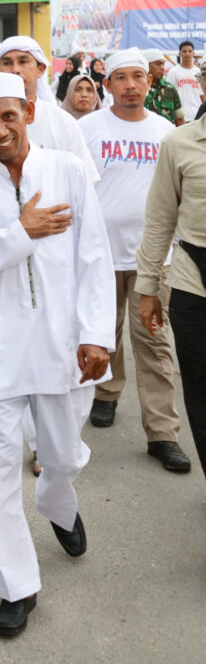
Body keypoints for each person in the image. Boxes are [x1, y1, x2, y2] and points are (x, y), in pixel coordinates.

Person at [0, 72, 115, 639]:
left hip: (62, 343)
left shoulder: (66, 170)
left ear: (29, 112)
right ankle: (16, 587)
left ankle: (58, 503)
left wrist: (97, 334)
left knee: (61, 457)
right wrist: (20, 231)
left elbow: (94, 256)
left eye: (8, 117)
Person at [78, 50, 190, 471]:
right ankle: (107, 393)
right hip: (99, 255)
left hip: (152, 260)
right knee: (104, 333)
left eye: (137, 77)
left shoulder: (166, 132)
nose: (130, 85)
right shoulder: (87, 128)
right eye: (121, 78)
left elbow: (179, 194)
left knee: (155, 344)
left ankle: (163, 433)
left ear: (149, 83)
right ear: (107, 86)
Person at [137, 105, 206, 480]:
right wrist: (148, 288)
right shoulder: (179, 143)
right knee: (200, 387)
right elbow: (160, 219)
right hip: (193, 279)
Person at [0, 36, 98, 186]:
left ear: (40, 69)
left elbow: (84, 182)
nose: (15, 70)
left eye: (23, 61)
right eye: (7, 63)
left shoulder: (63, 122)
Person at [143, 49, 185, 126]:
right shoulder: (139, 89)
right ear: (146, 65)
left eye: (163, 64)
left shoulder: (170, 88)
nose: (162, 68)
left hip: (167, 136)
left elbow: (180, 120)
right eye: (158, 64)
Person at [167, 40, 202, 121]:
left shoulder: (198, 72)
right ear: (180, 54)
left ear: (193, 53)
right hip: (180, 116)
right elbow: (168, 94)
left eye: (190, 51)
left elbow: (202, 94)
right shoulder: (173, 72)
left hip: (196, 115)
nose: (187, 54)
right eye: (184, 51)